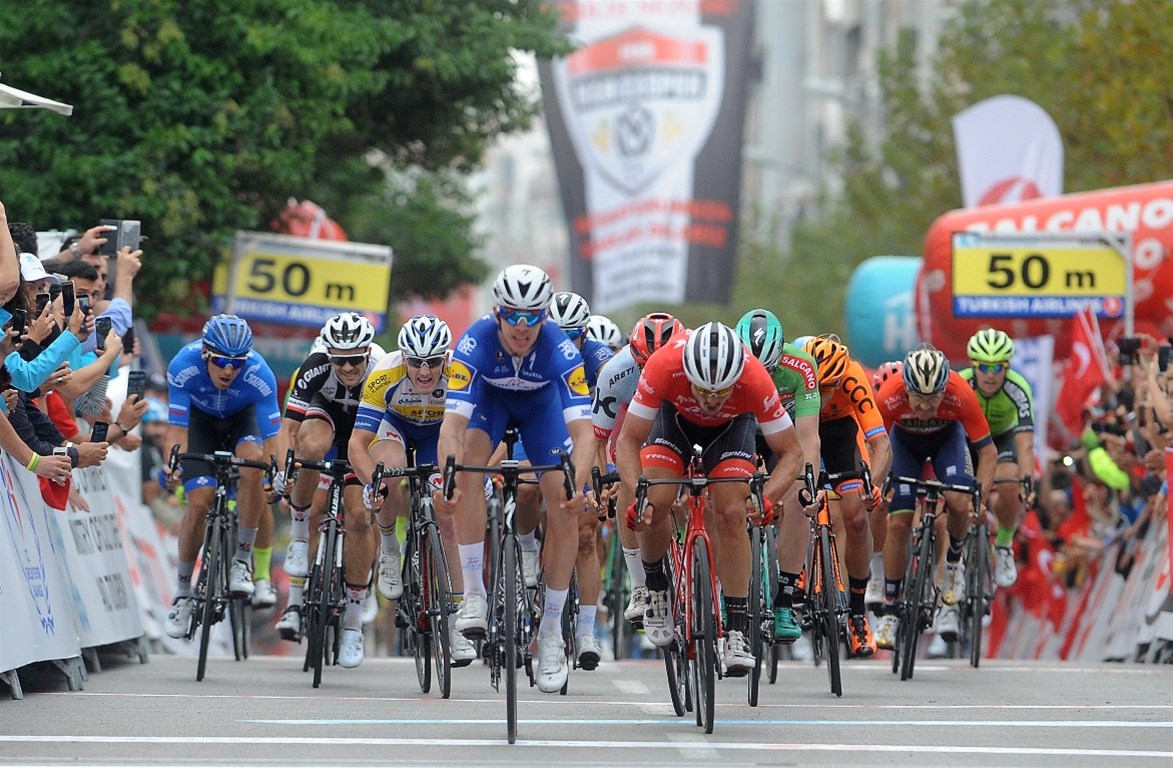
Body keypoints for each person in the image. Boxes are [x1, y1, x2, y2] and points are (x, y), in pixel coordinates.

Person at [434, 264, 596, 694]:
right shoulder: (475, 342)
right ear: (497, 313)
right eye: (512, 315)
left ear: (544, 316)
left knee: (562, 500)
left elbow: (584, 435)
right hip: (492, 402)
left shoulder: (561, 350)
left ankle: (550, 634)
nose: (522, 327)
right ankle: (474, 594)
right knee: (468, 464)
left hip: (542, 409)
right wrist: (449, 475)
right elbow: (451, 426)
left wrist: (577, 485)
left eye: (532, 317)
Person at [616, 321, 807, 676]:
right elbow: (628, 441)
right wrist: (638, 492)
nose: (710, 401)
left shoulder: (754, 378)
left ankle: (735, 630)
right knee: (655, 501)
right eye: (703, 391)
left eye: (721, 392)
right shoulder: (663, 365)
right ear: (687, 372)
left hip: (733, 430)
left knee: (733, 514)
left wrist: (767, 498)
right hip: (673, 423)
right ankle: (656, 587)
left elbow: (792, 453)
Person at [347, 314, 478, 667]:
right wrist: (370, 483)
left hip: (439, 432)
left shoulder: (459, 374)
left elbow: (473, 433)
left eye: (433, 362)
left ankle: (456, 622)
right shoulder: (383, 376)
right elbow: (357, 444)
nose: (424, 371)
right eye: (416, 362)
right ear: (403, 357)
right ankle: (389, 546)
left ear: (445, 359)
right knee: (387, 473)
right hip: (397, 428)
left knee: (446, 517)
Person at [271, 312, 383, 665]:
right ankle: (301, 536)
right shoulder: (315, 365)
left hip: (364, 432)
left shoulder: (382, 369)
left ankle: (352, 624)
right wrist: (283, 469)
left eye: (355, 360)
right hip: (326, 418)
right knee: (310, 451)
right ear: (328, 354)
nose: (348, 367)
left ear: (367, 353)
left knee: (360, 518)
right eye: (340, 360)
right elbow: (287, 429)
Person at [163, 314, 281, 639]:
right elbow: (176, 429)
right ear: (205, 353)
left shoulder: (260, 374)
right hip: (200, 424)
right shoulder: (182, 366)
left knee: (254, 464)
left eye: (236, 363)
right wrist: (171, 463)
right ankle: (184, 593)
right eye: (220, 361)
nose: (228, 370)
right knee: (198, 503)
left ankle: (242, 560)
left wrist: (277, 472)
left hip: (243, 422)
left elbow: (273, 437)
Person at [873, 343, 995, 647]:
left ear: (945, 389)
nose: (926, 408)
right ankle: (890, 607)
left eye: (934, 400)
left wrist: (979, 499)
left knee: (958, 500)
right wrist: (873, 484)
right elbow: (874, 445)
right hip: (903, 445)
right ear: (906, 389)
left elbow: (988, 452)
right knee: (899, 522)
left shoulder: (960, 393)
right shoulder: (889, 394)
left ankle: (953, 565)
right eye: (919, 400)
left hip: (946, 443)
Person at [592, 312, 686, 632]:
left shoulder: (692, 367)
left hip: (680, 425)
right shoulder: (615, 374)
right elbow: (599, 440)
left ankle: (694, 562)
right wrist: (602, 481)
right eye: (644, 365)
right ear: (632, 357)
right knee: (630, 487)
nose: (652, 372)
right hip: (636, 430)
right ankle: (640, 585)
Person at [800, 335, 891, 657]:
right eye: (819, 388)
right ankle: (794, 570)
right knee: (791, 493)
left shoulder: (853, 377)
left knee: (856, 518)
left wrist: (873, 485)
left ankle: (856, 612)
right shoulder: (796, 372)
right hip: (801, 430)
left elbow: (881, 444)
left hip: (840, 435)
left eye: (830, 388)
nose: (824, 396)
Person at [734, 309, 821, 645]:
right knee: (730, 494)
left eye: (769, 370)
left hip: (782, 433)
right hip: (742, 429)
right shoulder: (729, 360)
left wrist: (807, 484)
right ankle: (732, 593)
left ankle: (784, 598)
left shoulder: (801, 367)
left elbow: (808, 439)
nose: (763, 379)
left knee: (800, 497)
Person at [959, 328, 1035, 588]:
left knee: (1010, 483)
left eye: (997, 367)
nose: (990, 375)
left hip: (1002, 438)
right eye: (983, 367)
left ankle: (1003, 544)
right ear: (973, 365)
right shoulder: (961, 383)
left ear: (1008, 366)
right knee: (957, 493)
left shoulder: (1018, 388)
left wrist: (1027, 482)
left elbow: (1025, 444)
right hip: (967, 440)